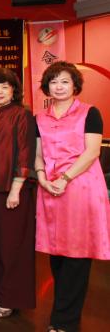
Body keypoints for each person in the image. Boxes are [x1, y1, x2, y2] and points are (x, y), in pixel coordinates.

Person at [34, 61, 109, 332]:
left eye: (65, 81)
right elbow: (38, 154)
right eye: (54, 81)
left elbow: (92, 152)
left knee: (77, 255)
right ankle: (63, 316)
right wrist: (42, 176)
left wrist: (65, 178)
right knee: (56, 254)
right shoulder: (39, 118)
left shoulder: (90, 113)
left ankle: (64, 322)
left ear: (75, 85)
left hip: (80, 188)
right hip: (50, 189)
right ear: (47, 87)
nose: (59, 86)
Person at [0, 67, 37, 318]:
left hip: (11, 189)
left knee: (13, 246)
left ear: (13, 90)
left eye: (4, 87)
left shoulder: (22, 115)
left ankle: (11, 298)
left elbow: (25, 152)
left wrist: (16, 188)